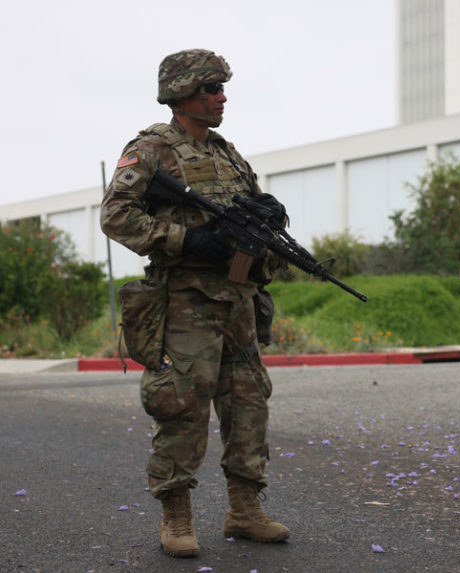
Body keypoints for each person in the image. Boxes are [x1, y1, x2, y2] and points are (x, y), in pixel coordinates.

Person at [101, 49, 289, 558]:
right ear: (182, 93)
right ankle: (176, 515)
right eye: (211, 88)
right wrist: (186, 241)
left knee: (249, 403)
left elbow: (249, 211)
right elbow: (116, 216)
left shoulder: (227, 152)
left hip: (239, 301)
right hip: (185, 302)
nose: (221, 97)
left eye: (221, 88)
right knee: (182, 406)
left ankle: (245, 510)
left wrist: (270, 215)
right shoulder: (152, 150)